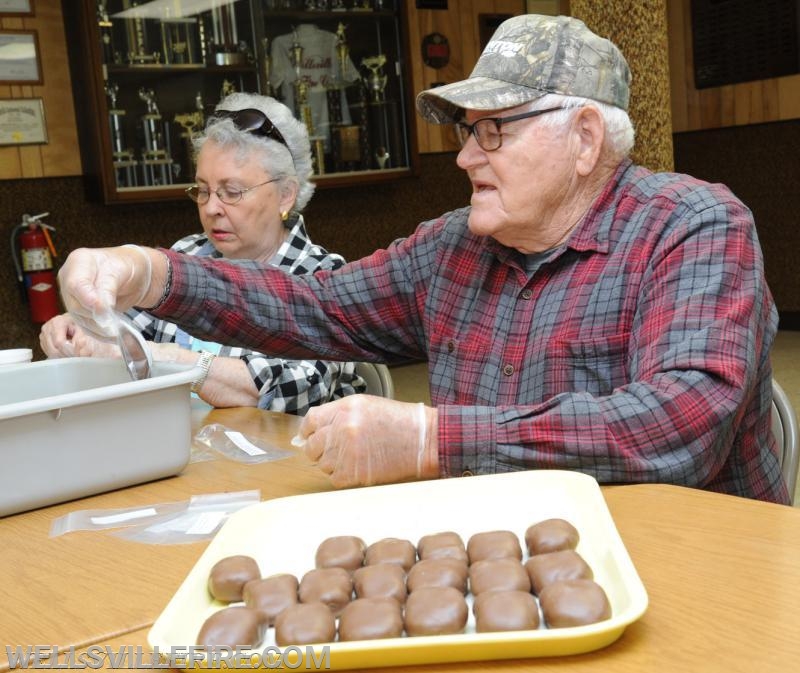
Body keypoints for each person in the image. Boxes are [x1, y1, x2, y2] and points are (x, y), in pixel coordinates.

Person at [56, 15, 789, 504]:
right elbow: (314, 306)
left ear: (586, 138)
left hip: (688, 571)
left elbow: (682, 422)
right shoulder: (454, 247)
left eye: (493, 131)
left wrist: (429, 437)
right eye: (467, 132)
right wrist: (150, 271)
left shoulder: (693, 226)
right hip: (505, 563)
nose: (466, 156)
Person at [41, 92, 364, 414]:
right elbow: (124, 331)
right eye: (203, 190)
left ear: (285, 195)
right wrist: (81, 327)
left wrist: (162, 357)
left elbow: (295, 387)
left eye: (231, 192)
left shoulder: (324, 276)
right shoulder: (189, 255)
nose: (211, 208)